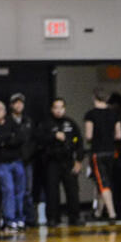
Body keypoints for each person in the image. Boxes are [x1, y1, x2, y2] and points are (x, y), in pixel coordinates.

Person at [38, 97, 84, 226]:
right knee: (52, 191)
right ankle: (53, 218)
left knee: (72, 190)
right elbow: (38, 140)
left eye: (61, 107)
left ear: (64, 108)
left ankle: (74, 217)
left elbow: (79, 143)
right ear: (52, 109)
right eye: (56, 107)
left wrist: (79, 161)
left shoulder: (70, 124)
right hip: (51, 161)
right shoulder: (46, 124)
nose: (58, 110)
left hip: (68, 161)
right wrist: (53, 136)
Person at [84, 88, 121, 222]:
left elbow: (88, 136)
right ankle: (98, 212)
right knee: (103, 182)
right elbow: (119, 135)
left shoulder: (91, 115)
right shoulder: (114, 114)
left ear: (94, 98)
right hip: (111, 152)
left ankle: (112, 214)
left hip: (98, 152)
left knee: (103, 182)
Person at [0, 99, 24, 234]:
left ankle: (20, 218)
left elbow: (19, 138)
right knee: (8, 189)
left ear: (4, 111)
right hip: (1, 163)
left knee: (20, 190)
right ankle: (9, 219)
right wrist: (7, 138)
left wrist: (5, 140)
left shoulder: (11, 122)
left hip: (16, 161)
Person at [8, 92, 39, 226]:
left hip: (27, 161)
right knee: (11, 190)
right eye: (16, 102)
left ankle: (29, 218)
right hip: (12, 160)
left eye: (21, 102)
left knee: (27, 191)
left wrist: (28, 154)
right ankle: (12, 217)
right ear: (11, 105)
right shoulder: (8, 121)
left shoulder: (28, 121)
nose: (19, 105)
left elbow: (33, 140)